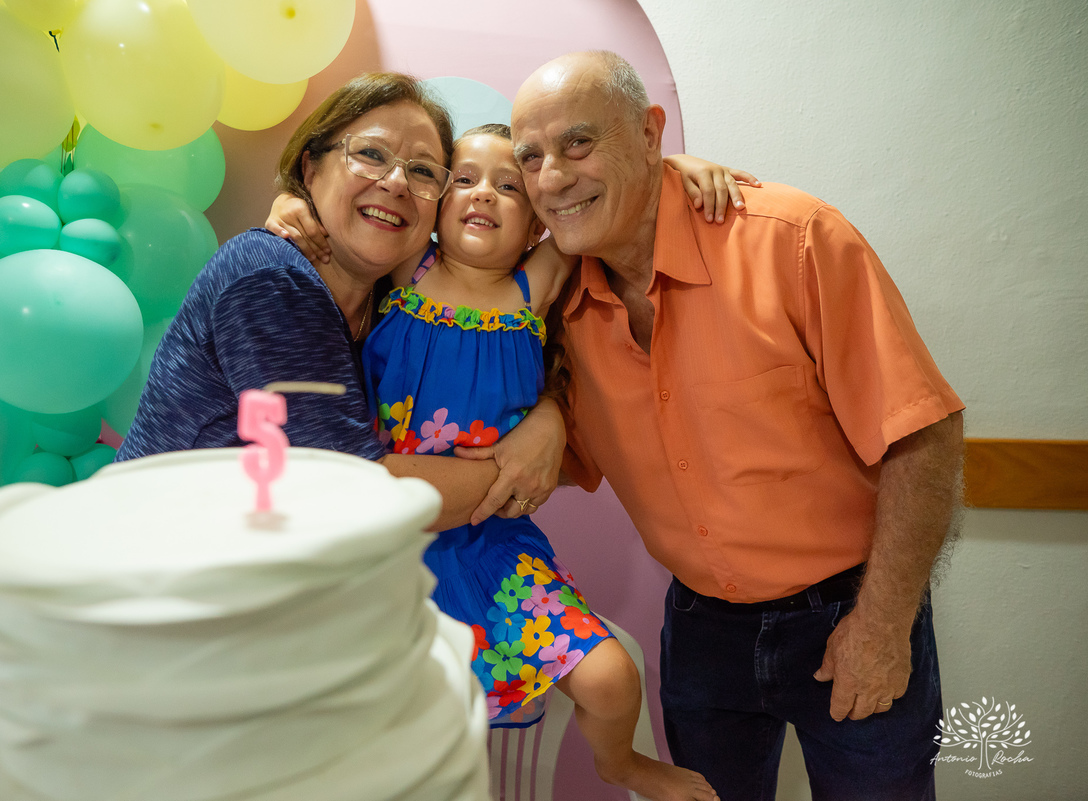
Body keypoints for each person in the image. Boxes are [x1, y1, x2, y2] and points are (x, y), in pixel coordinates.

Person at [500, 51, 966, 801]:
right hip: (699, 628)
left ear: (650, 132)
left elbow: (922, 433)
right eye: (531, 157)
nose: (551, 177)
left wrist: (881, 626)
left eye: (579, 143)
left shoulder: (794, 241)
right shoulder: (547, 303)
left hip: (851, 610)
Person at [270, 123, 727, 801]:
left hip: (493, 542)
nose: (485, 194)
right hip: (383, 547)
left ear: (537, 224)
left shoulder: (533, 286)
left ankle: (619, 761)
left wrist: (669, 169)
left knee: (610, 678)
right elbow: (344, 218)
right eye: (465, 178)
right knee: (373, 717)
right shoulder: (408, 267)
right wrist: (289, 205)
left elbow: (608, 206)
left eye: (510, 186)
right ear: (436, 202)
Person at [116, 72, 520, 529]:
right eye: (370, 154)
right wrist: (518, 467)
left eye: (423, 171)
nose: (396, 182)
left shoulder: (403, 304)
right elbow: (353, 493)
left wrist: (548, 420)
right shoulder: (271, 278)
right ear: (311, 169)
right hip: (153, 565)